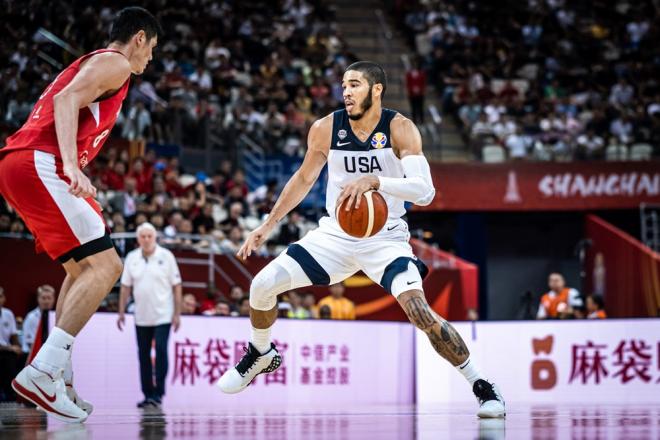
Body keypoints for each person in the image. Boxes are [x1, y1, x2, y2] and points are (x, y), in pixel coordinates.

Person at [217, 61, 505, 418]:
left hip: (386, 239)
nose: (346, 92)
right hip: (334, 236)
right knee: (261, 285)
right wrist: (268, 224)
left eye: (355, 84)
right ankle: (261, 353)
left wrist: (376, 181)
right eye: (344, 85)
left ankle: (483, 386)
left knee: (419, 312)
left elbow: (425, 191)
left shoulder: (401, 129)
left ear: (376, 89)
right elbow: (304, 179)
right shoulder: (325, 128)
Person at [0, 7, 161, 422]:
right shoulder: (116, 62)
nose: (151, 60)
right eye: (152, 49)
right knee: (108, 267)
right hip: (40, 161)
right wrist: (71, 166)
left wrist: (73, 168)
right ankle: (44, 369)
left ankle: (59, 376)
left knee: (81, 268)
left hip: (24, 165)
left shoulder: (101, 66)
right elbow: (66, 98)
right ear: (139, 38)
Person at [117, 222, 182, 408]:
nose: (146, 240)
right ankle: (147, 394)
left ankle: (158, 393)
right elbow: (125, 287)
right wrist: (121, 311)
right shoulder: (131, 257)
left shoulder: (166, 256)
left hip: (163, 314)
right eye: (143, 236)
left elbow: (176, 286)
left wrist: (177, 313)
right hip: (141, 316)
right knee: (143, 355)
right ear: (138, 239)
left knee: (161, 351)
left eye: (149, 236)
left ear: (155, 237)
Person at [22, 285, 56, 355]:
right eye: (43, 298)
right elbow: (30, 343)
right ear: (38, 299)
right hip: (32, 355)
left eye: (49, 298)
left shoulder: (56, 316)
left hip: (51, 354)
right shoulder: (31, 317)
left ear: (54, 299)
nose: (46, 301)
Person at [0, 287, 21, 402]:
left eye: (0, 296)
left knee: (12, 359)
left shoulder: (8, 314)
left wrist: (18, 347)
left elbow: (14, 336)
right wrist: (10, 347)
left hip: (7, 352)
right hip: (4, 350)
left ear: (4, 299)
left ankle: (12, 396)